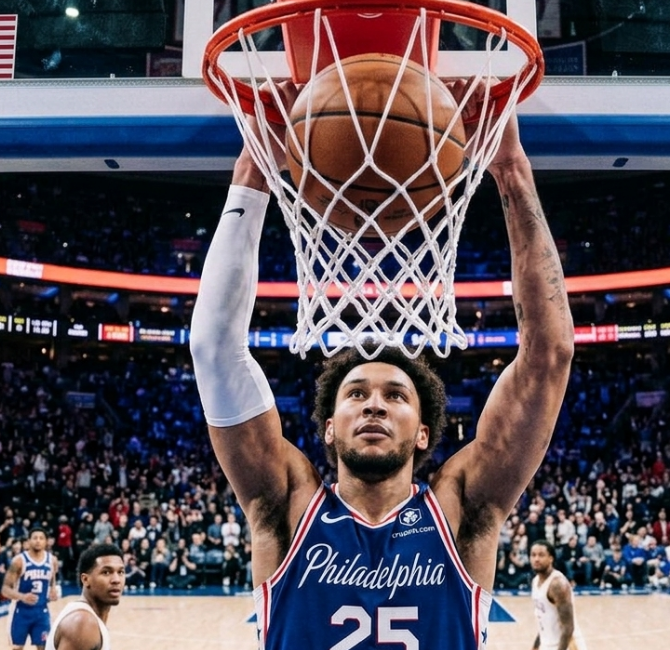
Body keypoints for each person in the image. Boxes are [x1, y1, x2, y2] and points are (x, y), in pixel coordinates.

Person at [189, 84, 573, 650]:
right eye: (356, 394)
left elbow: (549, 356)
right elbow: (213, 348)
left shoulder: (461, 511)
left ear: (423, 433)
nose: (373, 402)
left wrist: (512, 170)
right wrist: (252, 172)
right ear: (327, 428)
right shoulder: (287, 506)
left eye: (396, 395)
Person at [46, 544, 123, 650]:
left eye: (120, 572)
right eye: (106, 572)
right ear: (85, 580)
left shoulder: (85, 615)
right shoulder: (83, 623)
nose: (116, 580)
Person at [5, 529, 60, 650]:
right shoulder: (19, 561)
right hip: (20, 612)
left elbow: (52, 577)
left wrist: (52, 589)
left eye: (41, 538)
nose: (38, 541)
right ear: (28, 541)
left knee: (44, 646)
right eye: (35, 538)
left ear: (46, 542)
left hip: (41, 612)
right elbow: (5, 589)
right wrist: (22, 597)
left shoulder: (52, 560)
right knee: (17, 647)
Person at [530, 541, 585, 650]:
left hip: (566, 646)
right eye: (533, 555)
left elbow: (568, 628)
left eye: (541, 555)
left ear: (551, 558)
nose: (536, 559)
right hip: (547, 644)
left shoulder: (558, 585)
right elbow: (543, 621)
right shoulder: (535, 582)